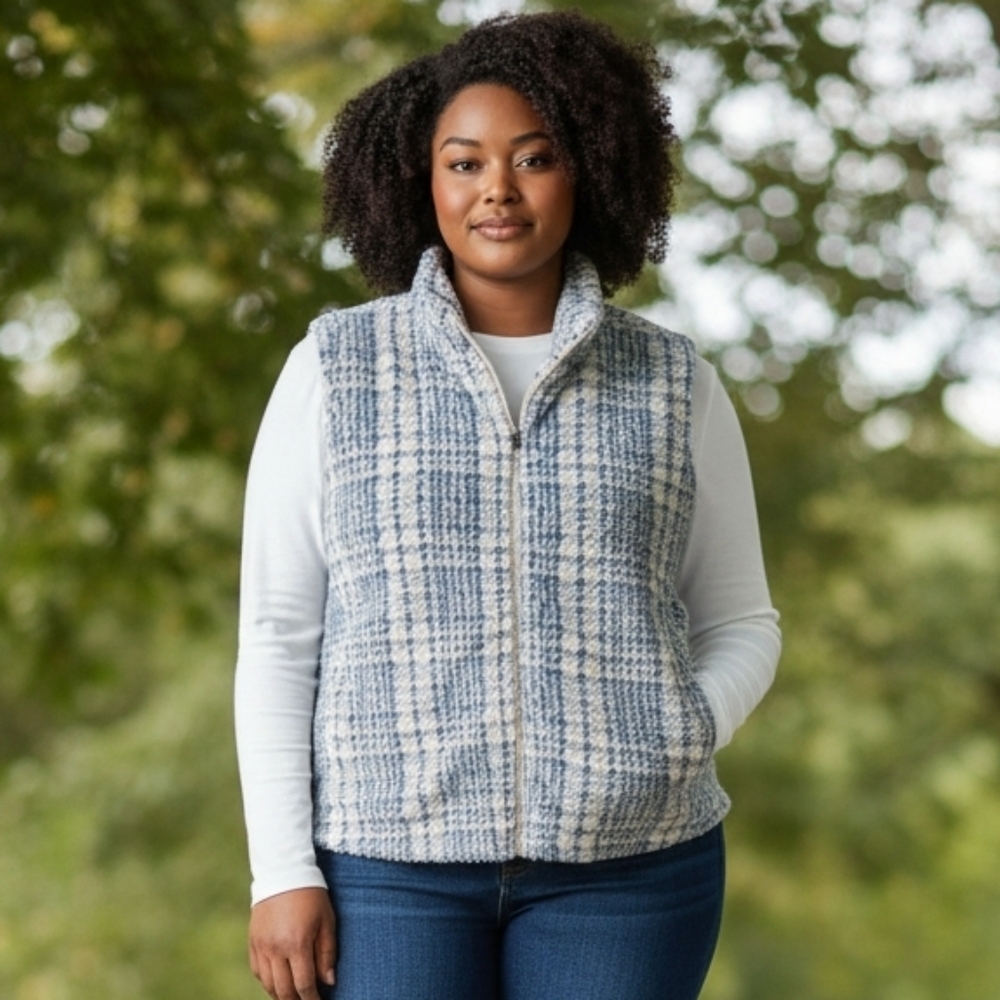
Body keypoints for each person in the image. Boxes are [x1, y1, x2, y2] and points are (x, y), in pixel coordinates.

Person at [234, 10, 781, 1000]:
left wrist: (678, 727)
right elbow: (279, 632)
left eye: (533, 158)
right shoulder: (336, 367)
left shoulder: (671, 379)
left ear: (590, 172)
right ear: (421, 182)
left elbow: (742, 618)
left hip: (633, 867)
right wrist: (282, 868)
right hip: (383, 863)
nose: (496, 188)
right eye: (463, 162)